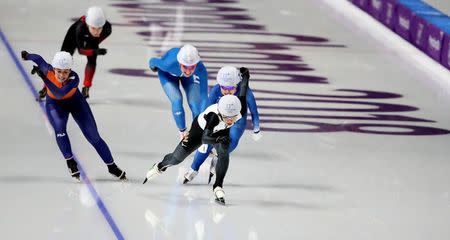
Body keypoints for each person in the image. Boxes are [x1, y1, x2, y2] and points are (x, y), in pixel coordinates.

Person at [143, 67, 251, 205]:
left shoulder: (240, 108)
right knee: (177, 158)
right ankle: (160, 165)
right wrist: (217, 139)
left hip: (220, 130)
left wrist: (246, 76)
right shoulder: (214, 116)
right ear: (221, 113)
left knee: (223, 152)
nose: (230, 120)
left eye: (233, 118)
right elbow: (205, 138)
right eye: (227, 117)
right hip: (200, 130)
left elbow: (243, 87)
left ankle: (218, 186)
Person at [22, 50, 126, 181]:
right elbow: (37, 58)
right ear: (53, 68)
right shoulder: (47, 69)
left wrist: (43, 78)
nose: (62, 75)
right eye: (58, 71)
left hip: (76, 103)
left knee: (94, 137)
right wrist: (26, 56)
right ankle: (70, 162)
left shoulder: (74, 78)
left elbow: (60, 93)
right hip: (55, 106)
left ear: (70, 70)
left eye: (65, 72)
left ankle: (112, 166)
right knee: (60, 130)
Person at [183, 66, 261, 184]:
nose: (227, 91)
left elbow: (254, 111)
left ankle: (218, 157)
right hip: (219, 119)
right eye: (224, 88)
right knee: (205, 145)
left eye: (231, 88)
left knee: (231, 140)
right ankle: (193, 168)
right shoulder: (215, 90)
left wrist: (256, 129)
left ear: (237, 84)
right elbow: (205, 111)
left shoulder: (246, 92)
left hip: (237, 121)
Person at [37, 6, 111, 100]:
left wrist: (93, 46)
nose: (97, 31)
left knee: (92, 60)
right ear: (88, 25)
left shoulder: (107, 28)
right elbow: (81, 51)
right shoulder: (79, 28)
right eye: (93, 28)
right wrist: (94, 50)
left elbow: (97, 40)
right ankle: (46, 87)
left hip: (88, 38)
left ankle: (86, 87)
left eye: (99, 28)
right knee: (60, 62)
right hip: (72, 37)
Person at [149, 44, 208, 140]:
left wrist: (202, 124)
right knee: (177, 100)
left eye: (192, 67)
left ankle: (197, 133)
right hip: (167, 74)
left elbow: (204, 96)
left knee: (196, 105)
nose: (188, 71)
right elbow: (152, 61)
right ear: (180, 63)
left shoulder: (201, 69)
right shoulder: (168, 64)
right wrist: (153, 67)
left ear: (196, 64)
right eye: (185, 67)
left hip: (182, 75)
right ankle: (183, 132)